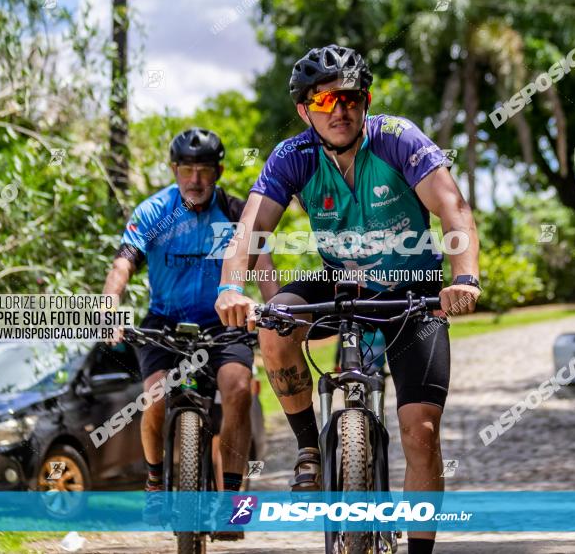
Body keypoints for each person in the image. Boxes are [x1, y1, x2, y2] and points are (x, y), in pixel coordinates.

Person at [215, 44, 480, 554]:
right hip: (344, 285)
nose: (341, 110)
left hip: (413, 294)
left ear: (366, 100)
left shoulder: (399, 139)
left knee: (421, 430)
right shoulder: (292, 158)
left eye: (352, 98)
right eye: (325, 101)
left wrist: (464, 278)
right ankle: (309, 446)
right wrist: (231, 289)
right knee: (274, 325)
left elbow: (453, 208)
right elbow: (249, 230)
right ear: (304, 110)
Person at [102, 128, 279, 528]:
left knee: (236, 389)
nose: (195, 180)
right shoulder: (153, 211)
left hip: (223, 322)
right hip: (164, 322)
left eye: (203, 171)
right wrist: (109, 306)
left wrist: (275, 311)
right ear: (174, 170)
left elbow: (265, 270)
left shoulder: (237, 212)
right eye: (186, 170)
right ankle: (153, 482)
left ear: (217, 171)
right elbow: (122, 264)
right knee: (155, 396)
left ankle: (232, 499)